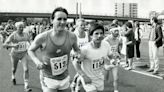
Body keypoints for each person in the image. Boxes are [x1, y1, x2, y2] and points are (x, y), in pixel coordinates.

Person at [28, 7, 80, 92]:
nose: (62, 22)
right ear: (52, 20)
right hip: (48, 77)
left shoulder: (72, 36)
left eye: (65, 19)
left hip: (64, 77)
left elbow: (77, 50)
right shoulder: (42, 37)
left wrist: (78, 54)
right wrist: (37, 61)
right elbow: (30, 50)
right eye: (59, 19)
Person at [73, 23, 114, 92]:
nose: (99, 36)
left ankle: (78, 82)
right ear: (91, 36)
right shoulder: (85, 49)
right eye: (96, 33)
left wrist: (113, 61)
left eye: (101, 33)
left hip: (99, 77)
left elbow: (110, 55)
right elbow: (75, 63)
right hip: (88, 79)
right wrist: (83, 75)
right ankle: (79, 80)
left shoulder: (106, 45)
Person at [3, 22, 31, 92]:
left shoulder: (26, 34)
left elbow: (29, 42)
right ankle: (13, 75)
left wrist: (30, 46)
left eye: (22, 27)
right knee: (14, 69)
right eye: (20, 27)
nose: (21, 28)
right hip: (15, 54)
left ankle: (26, 86)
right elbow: (4, 45)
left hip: (24, 54)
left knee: (26, 69)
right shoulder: (13, 35)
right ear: (16, 28)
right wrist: (13, 46)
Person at [70, 18, 89, 92]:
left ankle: (74, 84)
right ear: (76, 26)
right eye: (81, 25)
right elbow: (70, 46)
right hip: (75, 57)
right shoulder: (73, 35)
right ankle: (77, 87)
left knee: (81, 72)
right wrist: (75, 54)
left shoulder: (87, 34)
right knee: (81, 72)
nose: (83, 27)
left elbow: (89, 44)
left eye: (84, 25)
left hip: (84, 56)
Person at [104, 27, 122, 92]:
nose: (117, 32)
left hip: (114, 60)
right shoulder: (106, 40)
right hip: (106, 61)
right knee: (105, 79)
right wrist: (110, 60)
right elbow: (103, 51)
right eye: (115, 31)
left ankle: (116, 90)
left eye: (118, 31)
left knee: (116, 78)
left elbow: (116, 50)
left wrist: (118, 55)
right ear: (111, 32)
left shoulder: (118, 40)